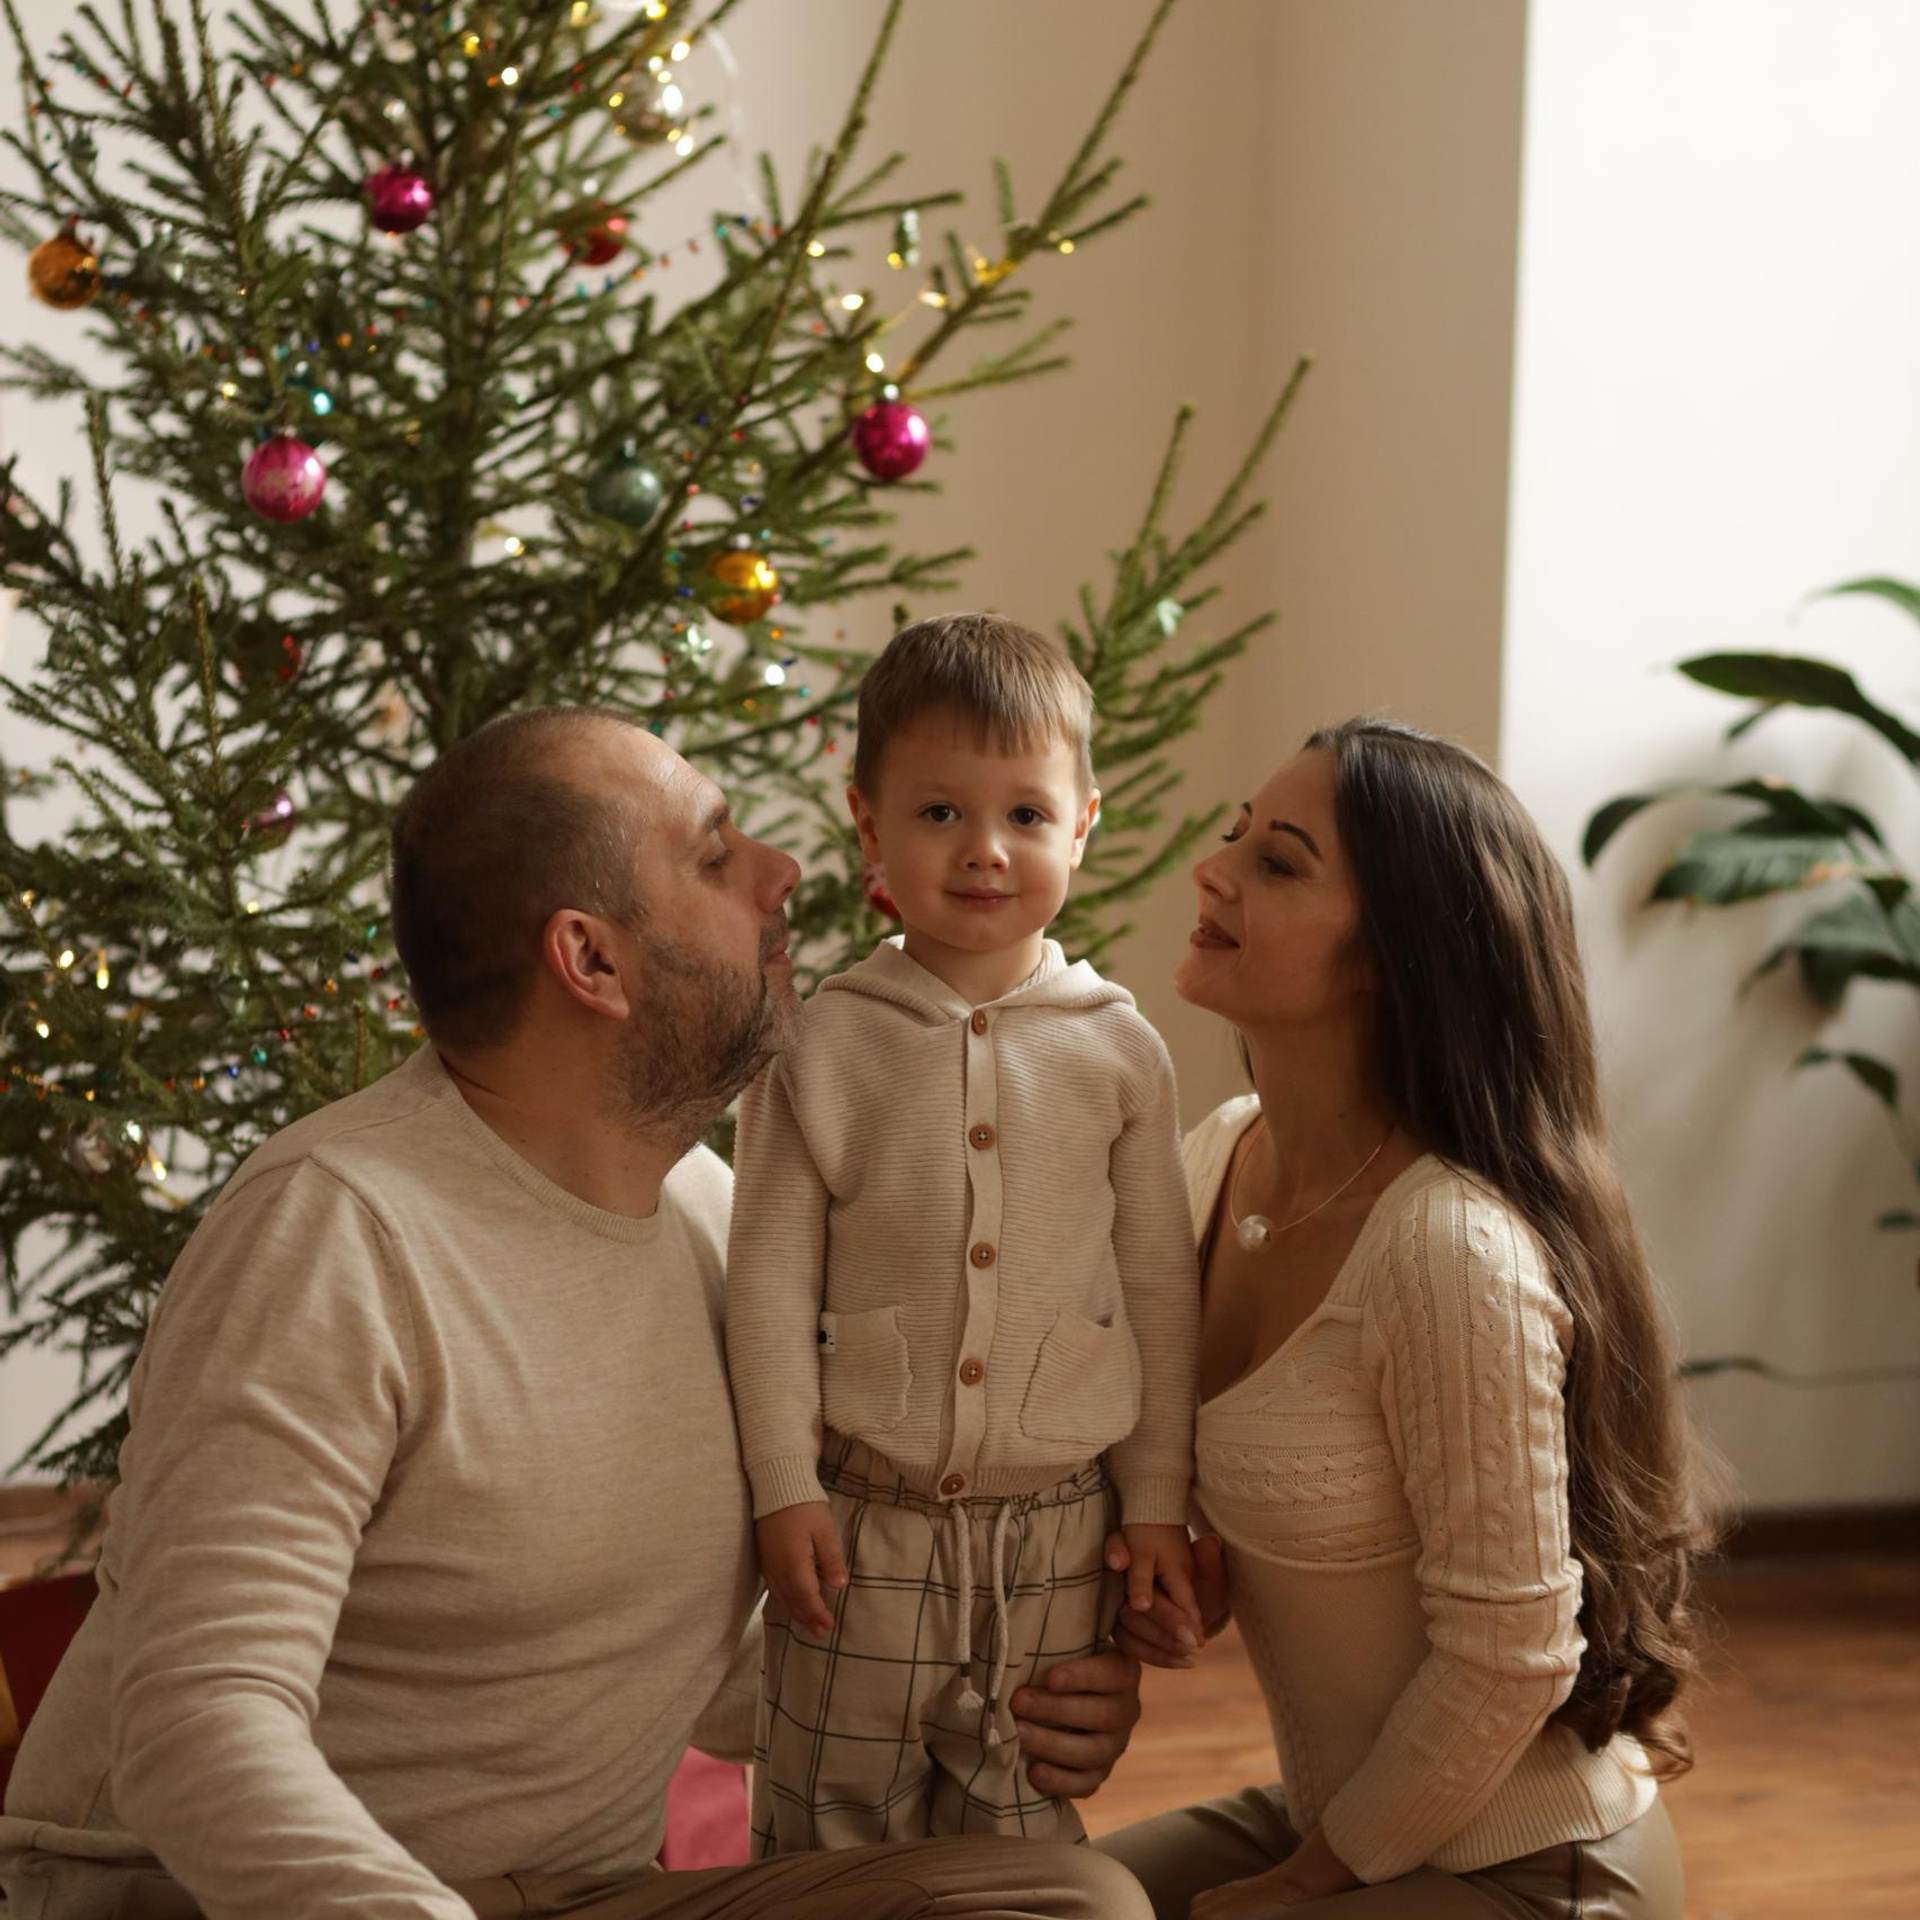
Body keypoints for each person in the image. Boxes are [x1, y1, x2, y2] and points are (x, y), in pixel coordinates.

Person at [0, 707, 1154, 1920]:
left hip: (580, 1892)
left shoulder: (720, 1220)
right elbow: (196, 1726)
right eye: (715, 858)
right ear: (590, 961)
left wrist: (997, 1691)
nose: (785, 872)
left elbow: (662, 1661)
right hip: (188, 1898)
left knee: (1069, 1901)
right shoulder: (337, 1232)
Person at [1098, 718, 1705, 1918]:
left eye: (1279, 862)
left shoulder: (1447, 1249)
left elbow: (1513, 1653)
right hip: (1346, 1816)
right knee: (1020, 1900)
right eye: (1235, 838)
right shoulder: (1224, 1156)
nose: (1212, 871)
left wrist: (1309, 1883)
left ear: (1390, 953)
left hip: (1534, 1869)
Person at [727, 614, 1201, 1855]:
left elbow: (1157, 1288)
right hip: (861, 1524)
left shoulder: (1120, 1049)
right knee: (828, 1833)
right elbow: (768, 1281)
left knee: (1021, 1828)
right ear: (868, 821)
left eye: (1026, 817)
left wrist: (1154, 1504)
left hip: (1062, 1525)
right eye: (939, 814)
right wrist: (784, 1487)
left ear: (1083, 821)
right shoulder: (823, 1044)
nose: (985, 852)